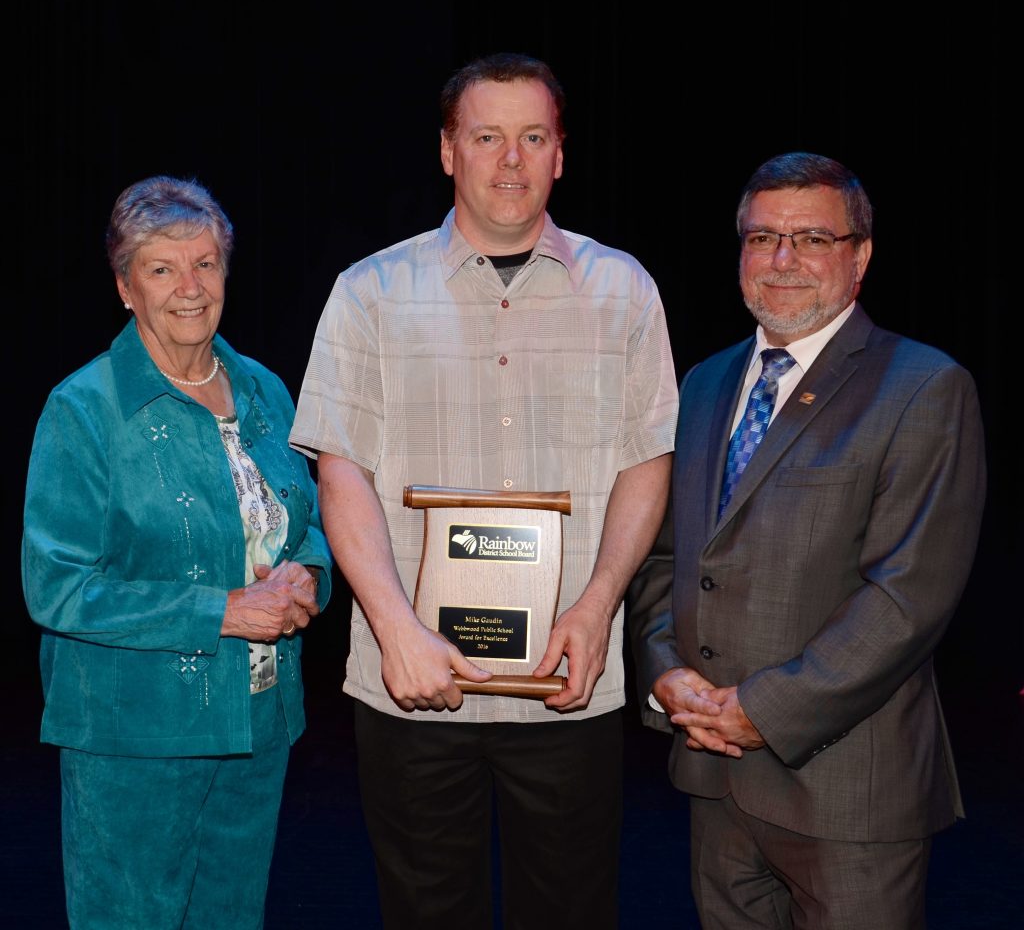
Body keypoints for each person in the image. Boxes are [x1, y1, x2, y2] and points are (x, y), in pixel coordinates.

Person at [289, 52, 678, 929]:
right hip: (413, 681)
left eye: (532, 137)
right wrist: (394, 629)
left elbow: (645, 461)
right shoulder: (369, 292)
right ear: (447, 152)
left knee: (572, 911)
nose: (511, 160)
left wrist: (597, 605)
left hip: (568, 675)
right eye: (487, 137)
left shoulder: (623, 289)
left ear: (561, 154)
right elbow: (339, 466)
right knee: (427, 913)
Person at [628, 151, 986, 929]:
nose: (783, 260)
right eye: (762, 239)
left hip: (850, 791)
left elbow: (908, 597)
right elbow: (663, 560)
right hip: (714, 779)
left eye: (812, 239)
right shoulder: (703, 384)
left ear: (859, 257)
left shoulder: (924, 387)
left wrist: (766, 708)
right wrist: (664, 673)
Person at [22, 175, 333, 929]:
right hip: (135, 738)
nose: (190, 288)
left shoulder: (263, 388)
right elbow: (57, 587)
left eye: (206, 263)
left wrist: (308, 578)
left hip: (258, 724)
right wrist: (222, 611)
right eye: (162, 269)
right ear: (126, 287)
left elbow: (310, 521)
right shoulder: (84, 408)